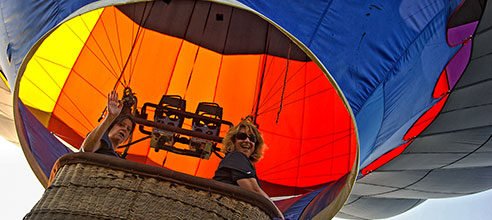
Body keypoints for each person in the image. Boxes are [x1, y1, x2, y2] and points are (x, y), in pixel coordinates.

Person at [213, 120, 284, 219]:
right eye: (242, 136)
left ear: (255, 145)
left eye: (252, 139)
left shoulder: (244, 163)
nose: (247, 141)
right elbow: (254, 191)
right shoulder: (236, 156)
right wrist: (279, 216)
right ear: (233, 141)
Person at [80, 90, 135, 157]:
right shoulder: (100, 138)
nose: (124, 129)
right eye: (121, 125)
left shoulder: (116, 158)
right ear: (110, 126)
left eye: (128, 129)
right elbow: (87, 148)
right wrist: (110, 117)